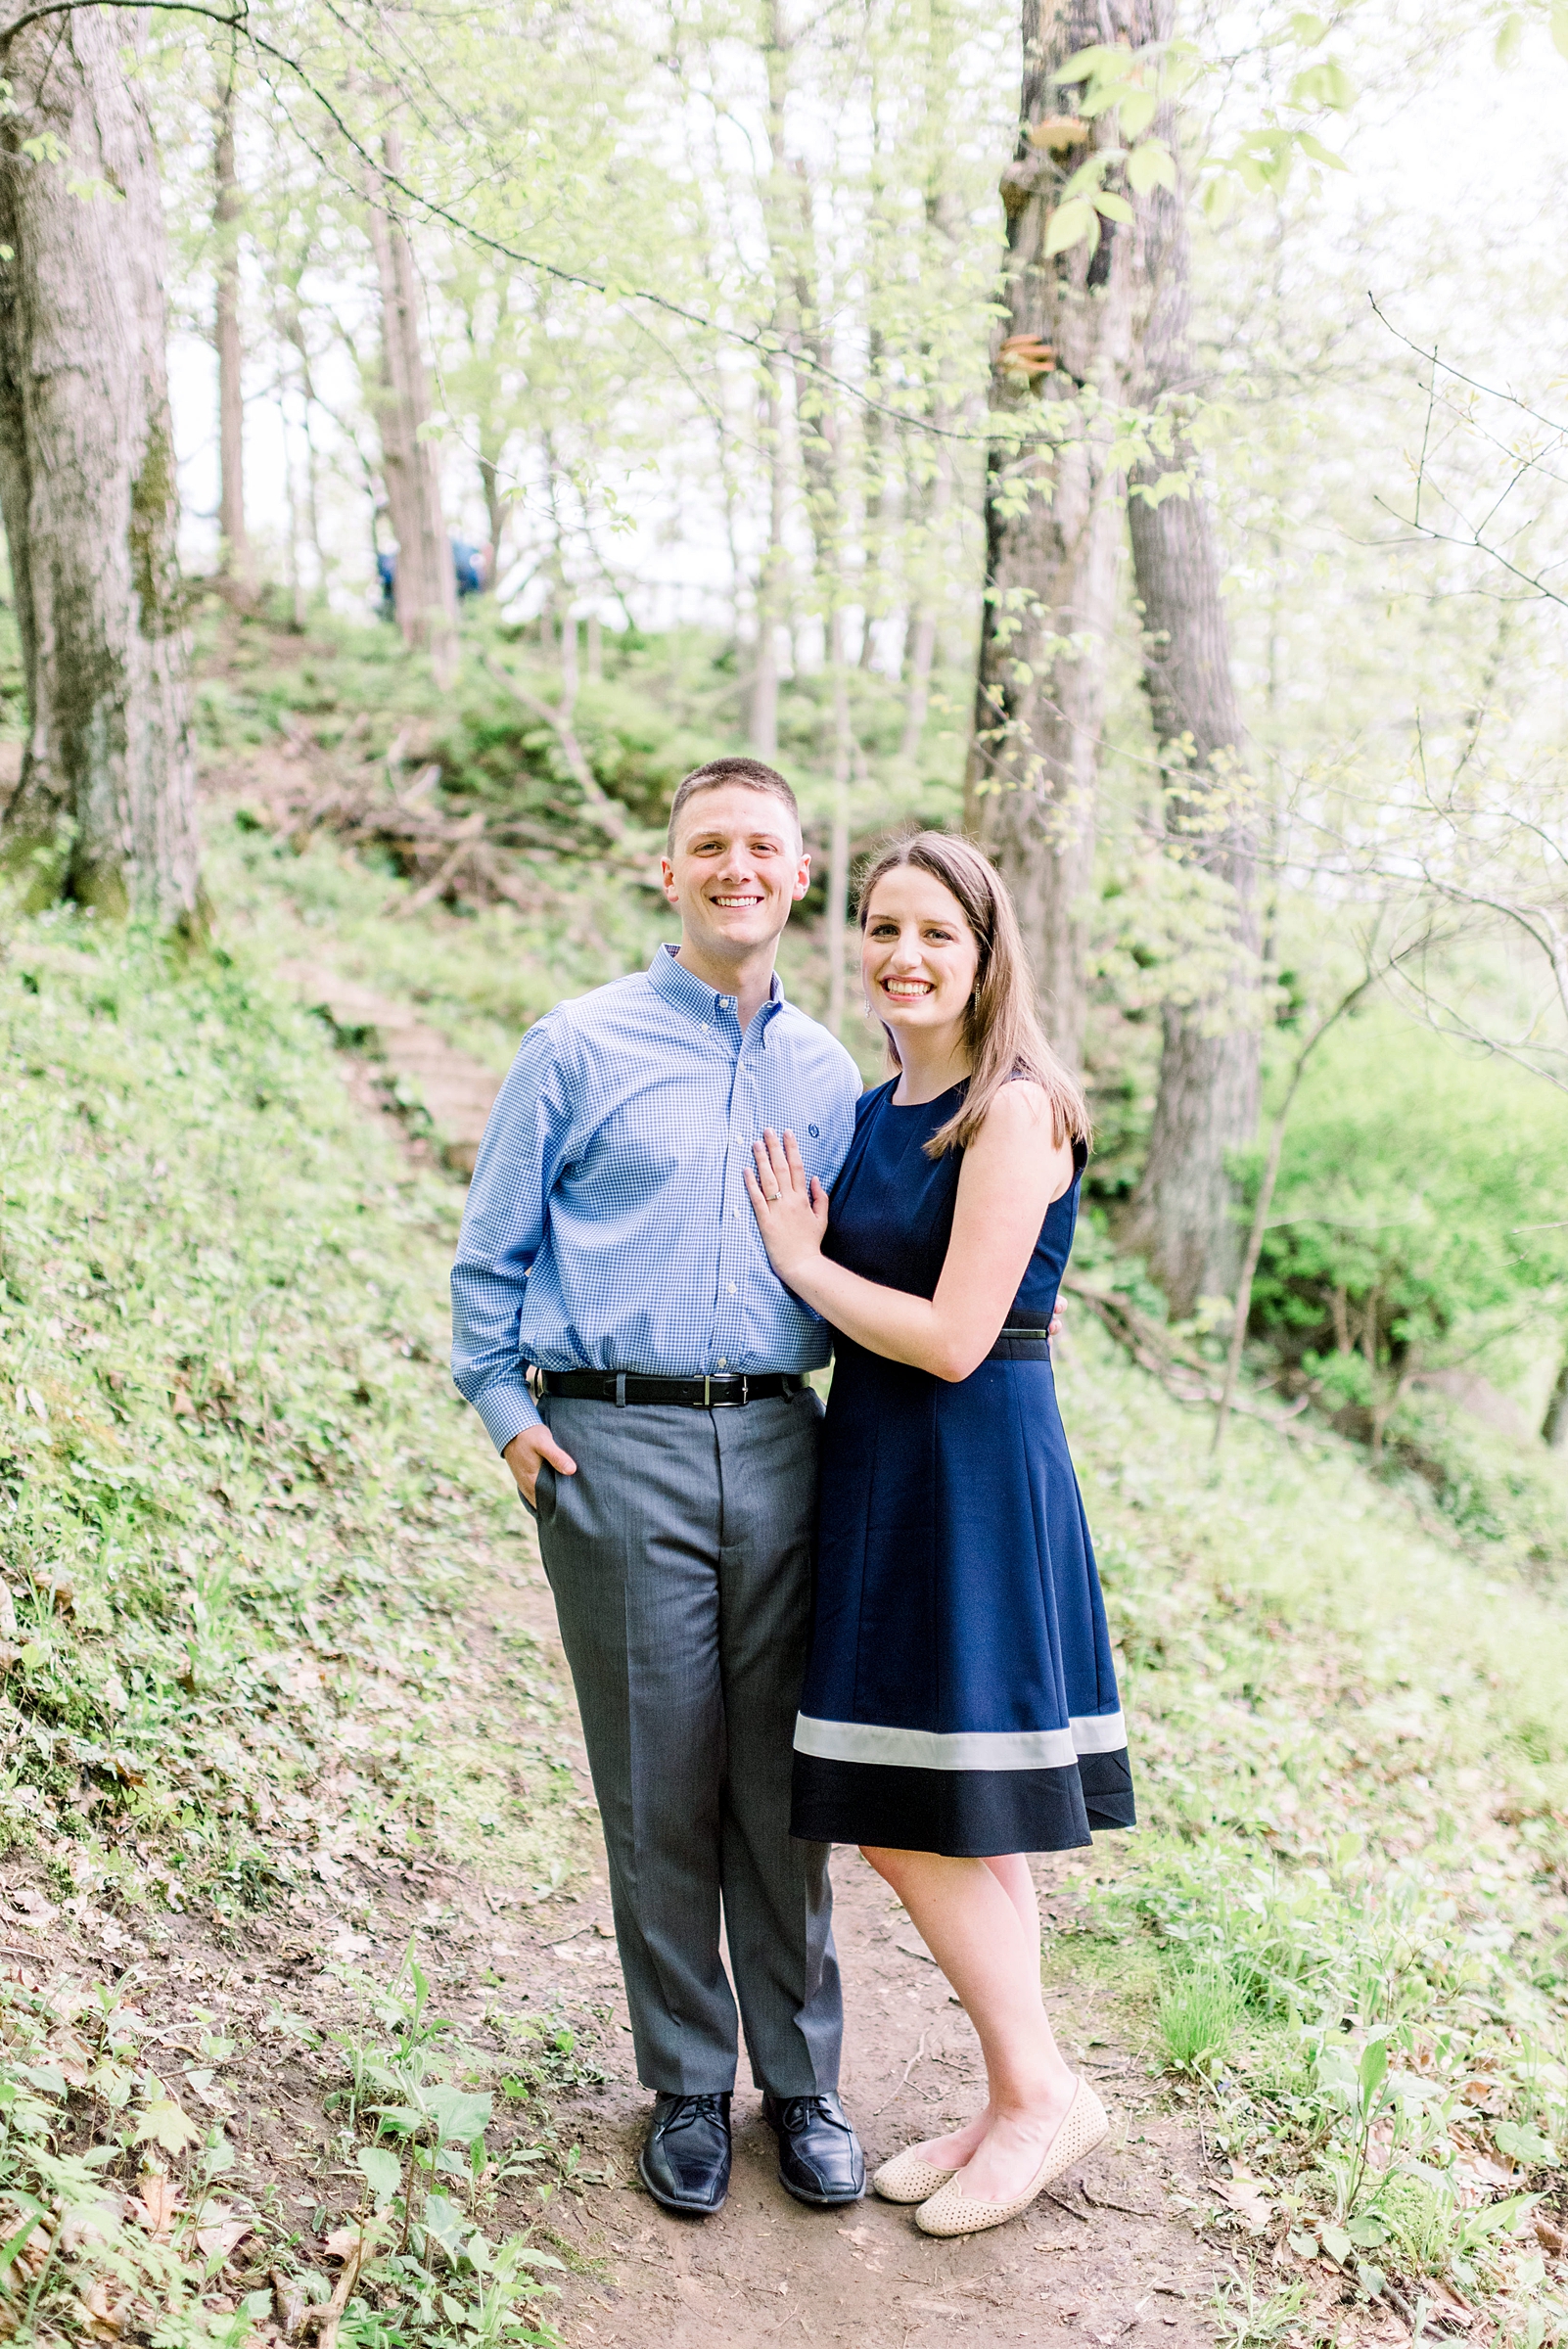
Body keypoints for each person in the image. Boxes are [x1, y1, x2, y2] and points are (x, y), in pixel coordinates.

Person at [450, 757, 867, 2220]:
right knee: (657, 1782)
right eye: (709, 844)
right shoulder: (577, 1045)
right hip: (610, 1449)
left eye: (762, 845)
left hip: (782, 1442)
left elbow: (889, 1257)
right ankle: (690, 2080)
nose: (734, 866)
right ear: (668, 869)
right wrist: (506, 1411)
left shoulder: (833, 1076)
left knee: (785, 1790)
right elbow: (486, 1256)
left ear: (800, 873)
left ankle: (801, 2084)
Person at [744, 830, 1134, 2241]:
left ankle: (1039, 2093)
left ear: (985, 954)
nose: (902, 957)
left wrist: (802, 1260)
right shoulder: (872, 1105)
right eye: (880, 927)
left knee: (903, 1819)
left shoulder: (1011, 1109)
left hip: (964, 1469)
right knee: (959, 1816)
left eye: (935, 935)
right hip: (880, 1464)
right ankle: (1005, 2096)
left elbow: (959, 1339)